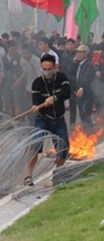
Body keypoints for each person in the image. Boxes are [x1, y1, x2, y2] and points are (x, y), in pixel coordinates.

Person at [25, 54, 71, 186]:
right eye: (44, 69)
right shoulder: (37, 83)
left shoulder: (62, 78)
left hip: (58, 119)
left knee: (63, 147)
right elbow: (36, 100)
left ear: (55, 67)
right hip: (43, 119)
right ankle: (28, 175)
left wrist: (55, 98)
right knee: (35, 146)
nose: (47, 72)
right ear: (41, 68)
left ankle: (57, 174)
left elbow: (66, 92)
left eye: (49, 69)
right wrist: (35, 106)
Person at [72, 45, 96, 127]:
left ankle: (89, 133)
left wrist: (82, 88)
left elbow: (87, 78)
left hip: (86, 95)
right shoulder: (80, 64)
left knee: (85, 114)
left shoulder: (88, 65)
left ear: (86, 54)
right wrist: (74, 63)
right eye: (77, 52)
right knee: (82, 114)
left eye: (80, 52)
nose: (78, 54)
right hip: (80, 94)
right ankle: (86, 132)